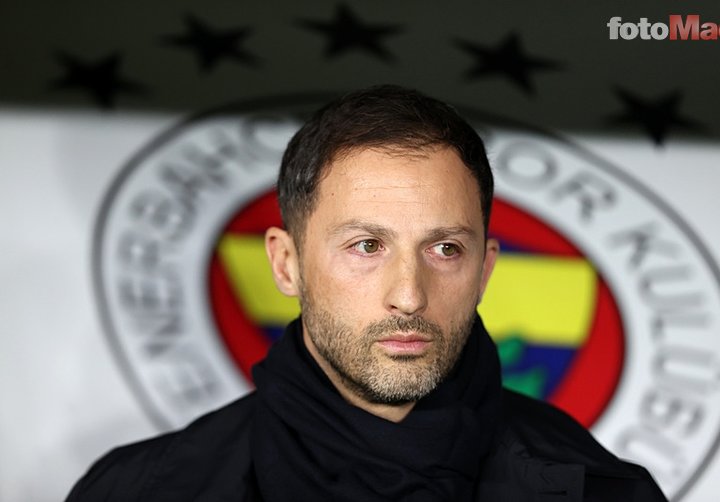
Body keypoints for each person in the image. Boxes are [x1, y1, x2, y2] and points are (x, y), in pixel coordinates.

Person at [66, 85, 667, 501]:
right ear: (286, 264)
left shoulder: (602, 491)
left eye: (444, 249)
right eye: (366, 246)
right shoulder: (140, 492)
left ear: (484, 270)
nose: (408, 296)